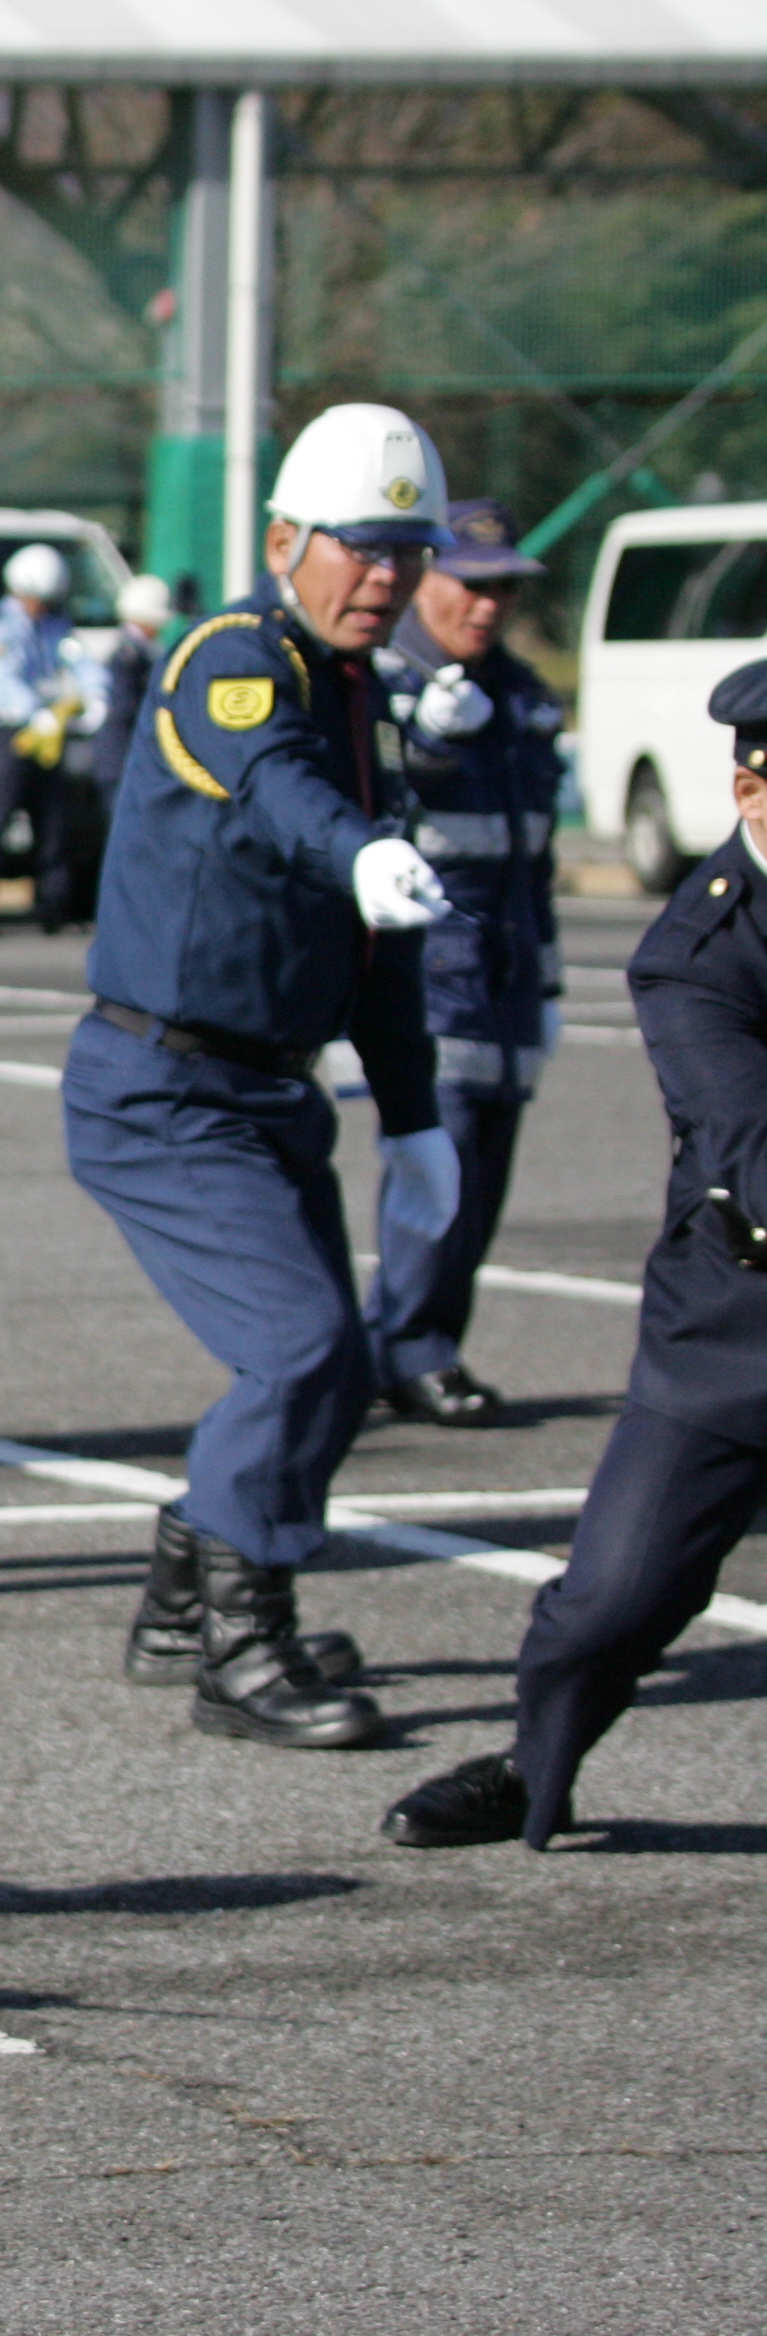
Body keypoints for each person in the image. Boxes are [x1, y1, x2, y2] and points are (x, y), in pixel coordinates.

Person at [64, 402, 461, 1752]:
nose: (388, 576)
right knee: (300, 1348)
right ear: (286, 539)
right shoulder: (233, 659)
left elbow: (383, 937)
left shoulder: (360, 698)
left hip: (268, 1088)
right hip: (162, 1085)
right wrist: (355, 848)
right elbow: (272, 780)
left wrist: (414, 1121)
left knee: (334, 1367)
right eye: (361, 546)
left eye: (408, 550)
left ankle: (192, 1581)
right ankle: (240, 1644)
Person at [382, 657, 767, 1849]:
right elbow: (751, 1146)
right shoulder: (696, 953)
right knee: (613, 1599)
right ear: (757, 795)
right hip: (738, 1323)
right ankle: (532, 1764)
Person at [363, 499, 569, 1427]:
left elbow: (535, 858)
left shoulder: (523, 694)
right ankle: (406, 1347)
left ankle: (427, 1342)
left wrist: (552, 977)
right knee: (436, 1179)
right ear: (427, 579)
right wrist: (431, 739)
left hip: (509, 975)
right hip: (432, 979)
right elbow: (372, 804)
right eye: (469, 587)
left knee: (482, 1186)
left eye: (501, 592)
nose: (486, 609)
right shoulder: (384, 682)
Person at [0, 543, 96, 932]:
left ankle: (53, 906)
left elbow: (77, 659)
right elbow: (5, 681)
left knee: (53, 821)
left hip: (49, 734)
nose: (42, 607)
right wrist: (36, 715)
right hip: (11, 732)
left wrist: (96, 694)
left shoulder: (55, 622)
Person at [71, 572, 174, 929]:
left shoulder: (141, 652)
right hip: (121, 764)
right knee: (124, 841)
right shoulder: (129, 656)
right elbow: (128, 715)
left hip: (125, 763)